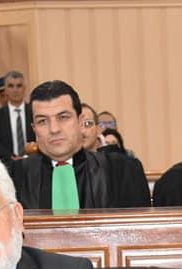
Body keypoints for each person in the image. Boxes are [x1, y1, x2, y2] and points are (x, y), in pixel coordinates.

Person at [9, 81, 150, 210]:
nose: (54, 129)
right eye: (42, 121)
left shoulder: (122, 172)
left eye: (63, 117)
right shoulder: (13, 178)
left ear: (80, 121)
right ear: (34, 128)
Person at [0, 71, 36, 163]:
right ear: (6, 89)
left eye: (19, 86)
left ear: (24, 88)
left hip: (34, 163)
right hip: (6, 164)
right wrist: (12, 157)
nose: (15, 90)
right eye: (11, 86)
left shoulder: (35, 112)